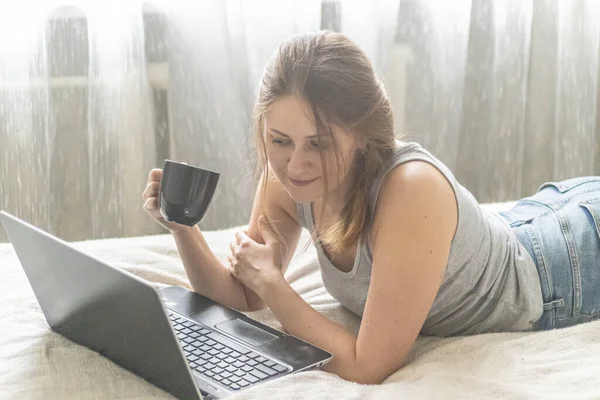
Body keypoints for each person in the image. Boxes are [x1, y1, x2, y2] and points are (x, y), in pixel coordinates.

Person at [142, 31, 600, 385]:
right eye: (279, 141)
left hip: (566, 266)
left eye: (318, 145)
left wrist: (276, 285)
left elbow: (368, 366)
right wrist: (182, 227)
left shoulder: (411, 191)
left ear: (362, 135)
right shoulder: (285, 178)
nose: (295, 165)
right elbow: (244, 295)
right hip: (529, 220)